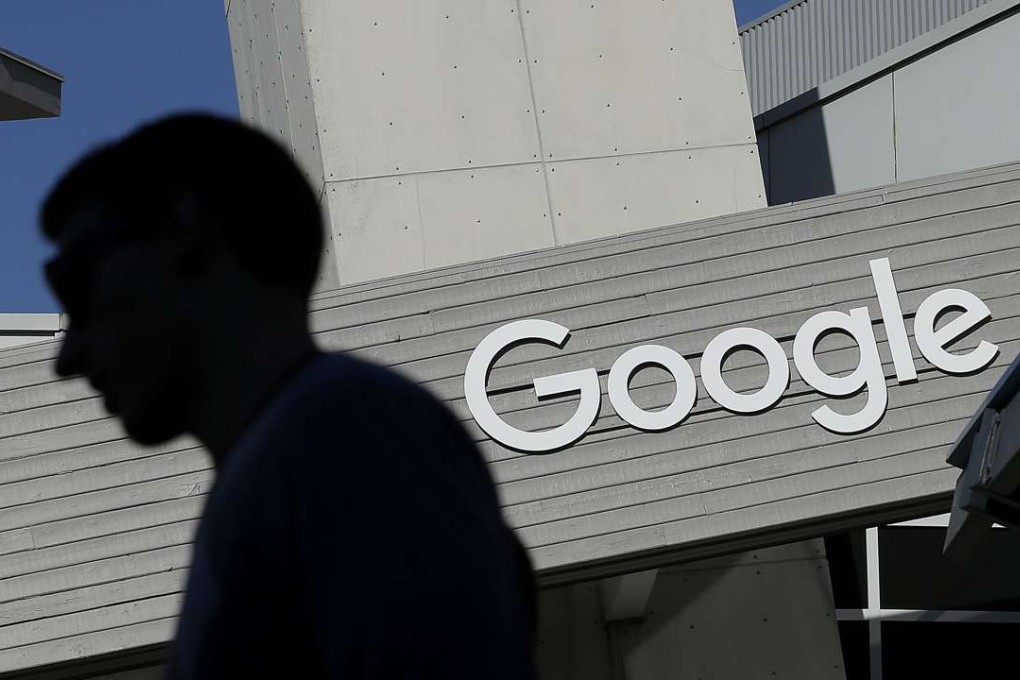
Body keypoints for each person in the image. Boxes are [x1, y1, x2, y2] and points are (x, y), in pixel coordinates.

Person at [41, 114, 537, 679]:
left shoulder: (349, 433)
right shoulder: (312, 449)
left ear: (182, 231)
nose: (66, 358)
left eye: (76, 289)